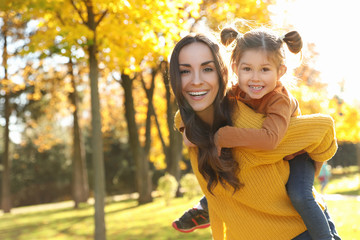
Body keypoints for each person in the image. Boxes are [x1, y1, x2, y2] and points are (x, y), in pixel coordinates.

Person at [169, 32, 340, 239]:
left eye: (265, 70)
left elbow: (271, 139)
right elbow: (196, 110)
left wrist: (224, 136)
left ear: (280, 72)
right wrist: (188, 128)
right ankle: (206, 205)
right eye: (247, 69)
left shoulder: (278, 100)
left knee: (300, 195)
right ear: (235, 69)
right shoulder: (235, 94)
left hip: (297, 158)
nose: (255, 77)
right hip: (259, 216)